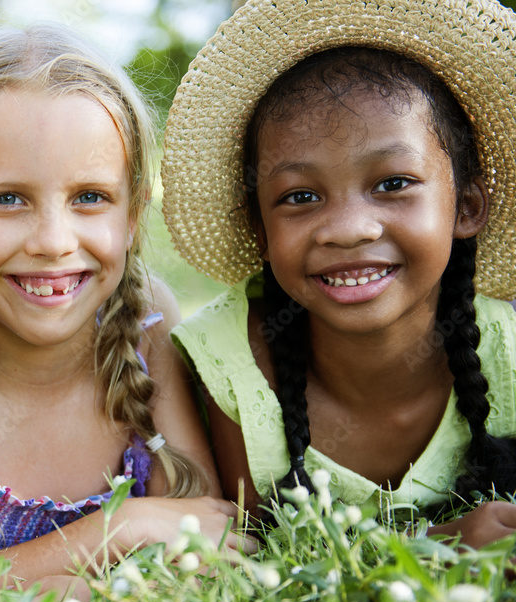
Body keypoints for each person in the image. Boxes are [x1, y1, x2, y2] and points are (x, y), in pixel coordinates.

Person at [0, 19, 250, 591]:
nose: (54, 241)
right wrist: (118, 529)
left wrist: (21, 583)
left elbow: (207, 537)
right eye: (8, 198)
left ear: (132, 215)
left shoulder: (145, 325)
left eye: (90, 197)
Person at [164, 0, 516, 547]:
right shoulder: (233, 365)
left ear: (467, 207)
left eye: (393, 184)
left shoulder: (509, 346)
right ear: (260, 231)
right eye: (301, 196)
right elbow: (256, 553)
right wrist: (438, 544)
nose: (348, 229)